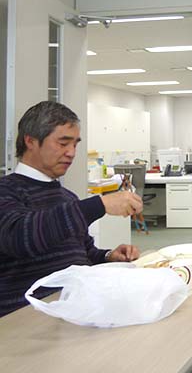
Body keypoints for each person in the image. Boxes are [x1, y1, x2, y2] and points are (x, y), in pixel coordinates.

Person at [0, 101, 143, 317]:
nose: (71, 153)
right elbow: (21, 237)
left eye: (75, 144)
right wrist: (100, 204)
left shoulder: (67, 197)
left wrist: (108, 256)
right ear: (30, 141)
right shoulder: (7, 190)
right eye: (63, 143)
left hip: (73, 310)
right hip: (26, 319)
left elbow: (84, 254)